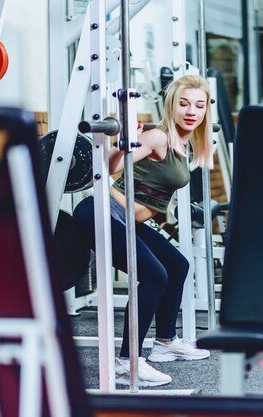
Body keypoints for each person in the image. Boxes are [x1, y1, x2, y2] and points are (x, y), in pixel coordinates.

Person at [73, 75, 214, 387]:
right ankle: (127, 362)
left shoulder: (185, 143)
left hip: (128, 220)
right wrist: (126, 143)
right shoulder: (158, 137)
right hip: (101, 212)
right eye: (184, 103)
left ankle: (165, 343)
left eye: (199, 105)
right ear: (171, 105)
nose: (191, 110)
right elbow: (109, 167)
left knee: (177, 266)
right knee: (154, 276)